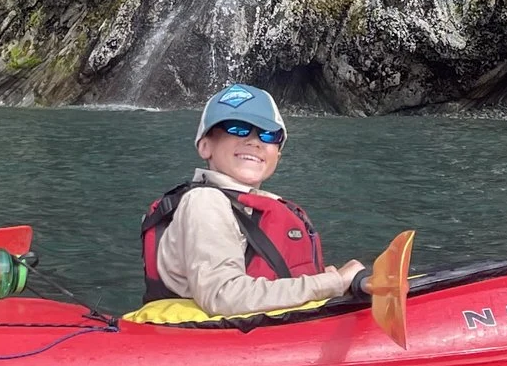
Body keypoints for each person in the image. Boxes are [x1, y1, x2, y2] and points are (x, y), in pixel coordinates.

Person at [138, 84, 365, 316]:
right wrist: (334, 282)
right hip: (219, 337)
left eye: (268, 135)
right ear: (205, 146)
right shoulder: (205, 201)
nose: (255, 142)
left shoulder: (244, 203)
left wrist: (331, 281)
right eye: (238, 128)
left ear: (277, 155)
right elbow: (223, 296)